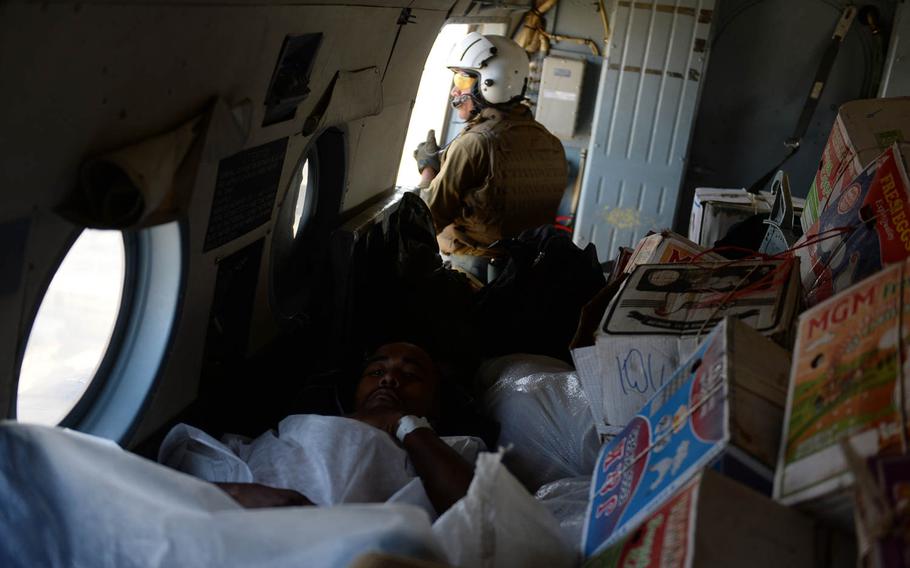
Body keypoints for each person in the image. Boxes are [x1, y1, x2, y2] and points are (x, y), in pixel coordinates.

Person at [159, 342, 478, 517]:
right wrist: (236, 493)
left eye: (410, 375)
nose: (389, 378)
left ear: (435, 405)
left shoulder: (449, 450)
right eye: (377, 370)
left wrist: (404, 424)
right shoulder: (301, 423)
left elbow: (478, 513)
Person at [414, 32, 568, 284]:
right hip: (525, 278)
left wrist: (428, 169)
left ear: (491, 81)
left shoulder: (475, 143)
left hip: (474, 278)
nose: (455, 90)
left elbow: (425, 220)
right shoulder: (552, 144)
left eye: (463, 80)